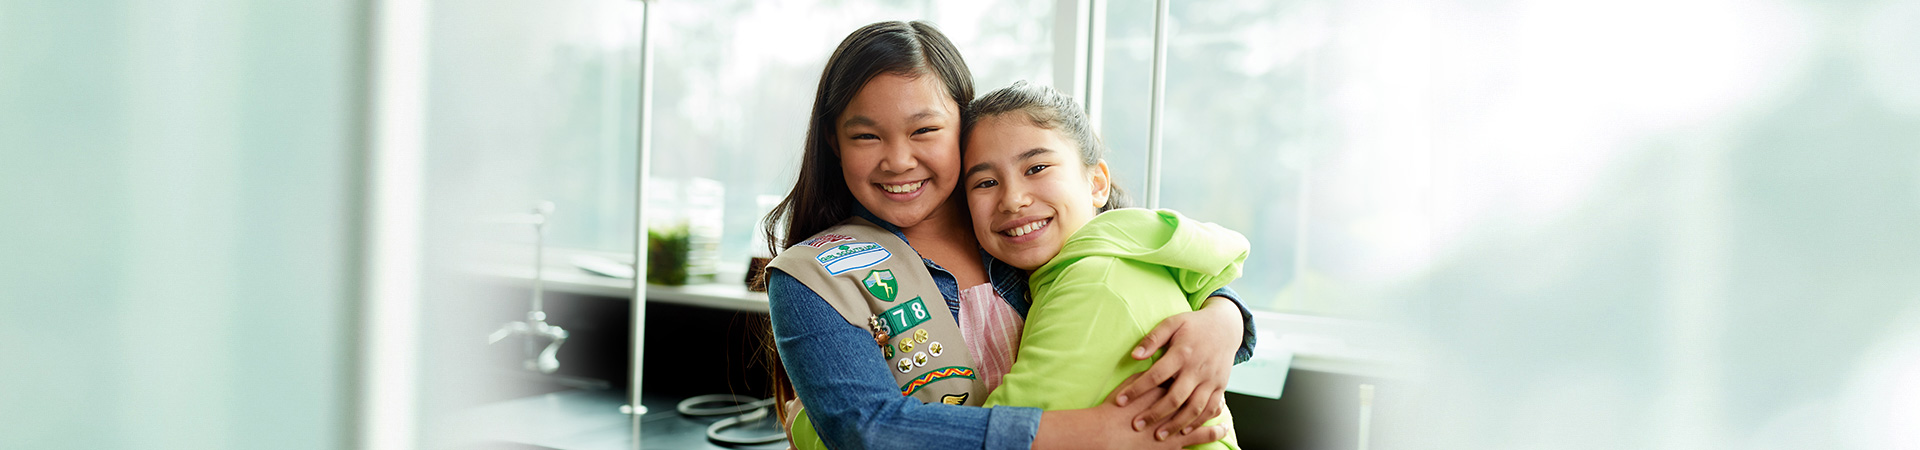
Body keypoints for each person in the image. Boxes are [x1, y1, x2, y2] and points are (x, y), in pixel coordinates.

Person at [762, 20, 1257, 450]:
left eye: (925, 130)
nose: (898, 159)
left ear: (962, 125)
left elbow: (1133, 259)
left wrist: (1224, 319)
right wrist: (1095, 436)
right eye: (866, 135)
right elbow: (866, 433)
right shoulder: (814, 276)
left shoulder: (1014, 229)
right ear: (834, 141)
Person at [963, 81, 1245, 450]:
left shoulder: (1093, 282)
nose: (1013, 200)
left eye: (1037, 168)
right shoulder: (1120, 255)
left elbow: (1011, 433)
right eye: (986, 182)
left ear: (1097, 183)